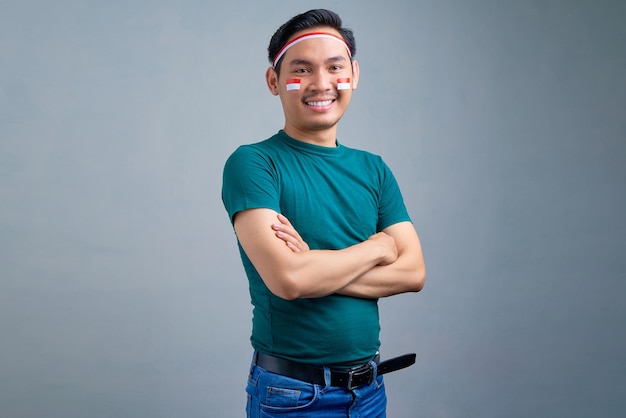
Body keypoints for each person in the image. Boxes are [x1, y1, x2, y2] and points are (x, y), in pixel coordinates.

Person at [221, 8, 426, 417]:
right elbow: (290, 280)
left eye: (335, 67)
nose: (321, 84)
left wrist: (317, 266)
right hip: (292, 395)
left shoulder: (374, 169)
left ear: (355, 75)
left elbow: (413, 273)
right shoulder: (254, 164)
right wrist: (378, 246)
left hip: (369, 390)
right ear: (273, 81)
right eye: (302, 69)